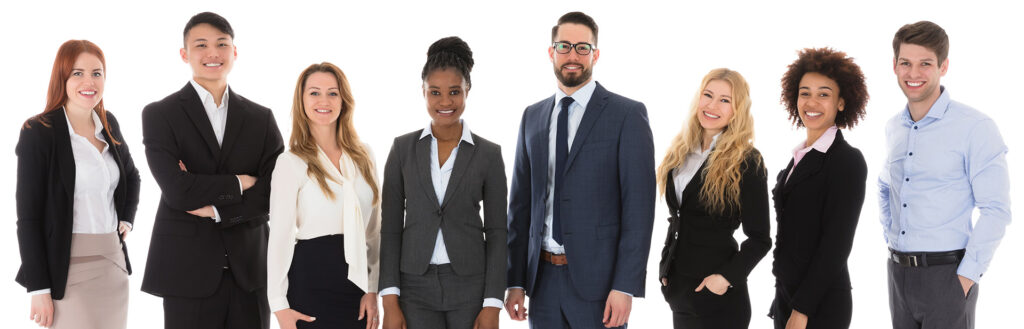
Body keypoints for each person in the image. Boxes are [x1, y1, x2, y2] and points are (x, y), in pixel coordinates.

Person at [505, 11, 656, 329]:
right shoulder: (532, 117)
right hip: (541, 284)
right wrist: (514, 280)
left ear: (595, 54)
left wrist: (625, 285)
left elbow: (638, 210)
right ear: (551, 52)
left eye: (582, 48)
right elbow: (519, 207)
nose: (572, 55)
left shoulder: (626, 115)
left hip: (600, 288)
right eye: (564, 46)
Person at [140, 12, 284, 329]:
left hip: (250, 273)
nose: (212, 53)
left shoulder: (261, 118)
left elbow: (274, 192)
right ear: (184, 54)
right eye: (201, 45)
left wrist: (218, 210)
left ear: (234, 52)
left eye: (222, 44)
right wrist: (240, 182)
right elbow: (177, 190)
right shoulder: (160, 114)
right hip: (186, 273)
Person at [881, 21, 1011, 329]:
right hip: (897, 275)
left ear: (944, 65)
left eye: (925, 63)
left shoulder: (975, 127)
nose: (913, 74)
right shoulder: (893, 127)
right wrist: (891, 237)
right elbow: (886, 186)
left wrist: (965, 278)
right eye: (905, 63)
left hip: (947, 277)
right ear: (895, 66)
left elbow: (996, 211)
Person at [379, 36, 507, 329]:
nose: (445, 101)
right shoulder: (402, 149)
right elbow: (390, 228)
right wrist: (390, 300)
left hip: (470, 286)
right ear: (422, 91)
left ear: (467, 91)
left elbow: (498, 232)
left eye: (454, 92)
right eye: (435, 92)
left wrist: (492, 304)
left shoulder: (489, 154)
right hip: (414, 287)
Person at [16, 39, 141, 329]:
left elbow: (132, 176)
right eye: (78, 73)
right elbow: (29, 217)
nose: (89, 81)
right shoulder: (39, 131)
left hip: (113, 265)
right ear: (62, 77)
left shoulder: (108, 123)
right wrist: (39, 289)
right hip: (66, 270)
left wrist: (127, 219)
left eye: (97, 73)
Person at [268, 62, 381, 329]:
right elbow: (280, 236)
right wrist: (279, 305)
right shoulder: (291, 162)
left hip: (357, 284)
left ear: (344, 100)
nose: (324, 101)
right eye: (314, 92)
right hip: (310, 281)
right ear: (302, 100)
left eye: (333, 93)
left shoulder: (364, 155)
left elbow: (376, 231)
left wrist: (373, 288)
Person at [656, 68, 770, 329]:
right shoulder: (681, 152)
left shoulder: (747, 160)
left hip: (720, 301)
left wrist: (724, 279)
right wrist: (666, 269)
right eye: (707, 95)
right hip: (680, 295)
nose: (712, 105)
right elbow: (679, 218)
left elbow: (760, 239)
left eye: (725, 100)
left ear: (737, 110)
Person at [768, 47, 868, 329]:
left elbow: (836, 245)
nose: (812, 102)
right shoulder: (799, 157)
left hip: (819, 305)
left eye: (824, 94)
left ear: (840, 102)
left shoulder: (846, 160)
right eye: (805, 92)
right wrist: (783, 301)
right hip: (787, 297)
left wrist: (802, 310)